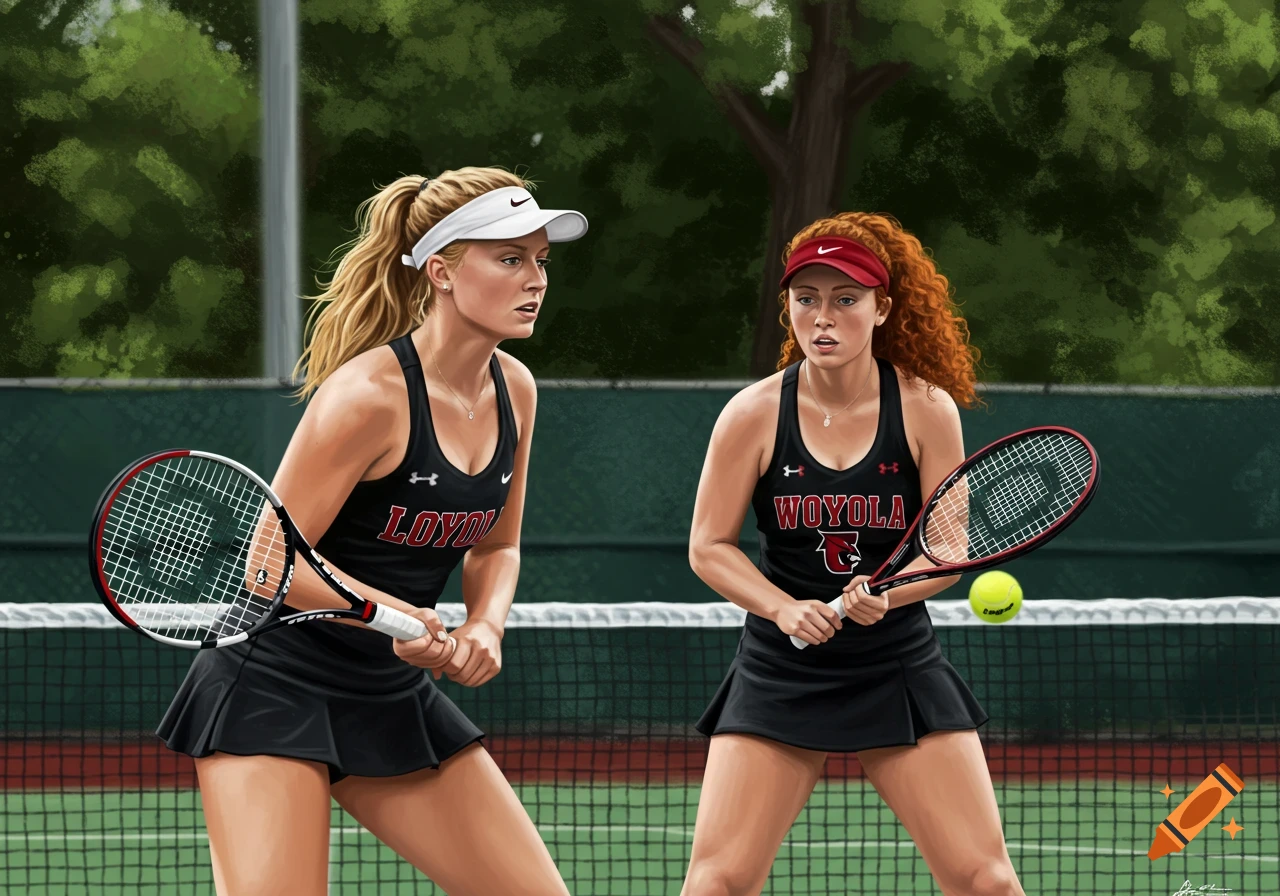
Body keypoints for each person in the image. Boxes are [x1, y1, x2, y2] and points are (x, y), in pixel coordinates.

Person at [156, 167, 587, 896]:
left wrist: (485, 625)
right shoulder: (366, 397)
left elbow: (496, 545)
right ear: (444, 272)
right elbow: (268, 565)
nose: (535, 279)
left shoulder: (516, 388)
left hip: (389, 690)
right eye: (510, 259)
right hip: (272, 686)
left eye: (540, 260)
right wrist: (386, 611)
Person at [681, 213, 1025, 896]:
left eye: (846, 299)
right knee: (716, 884)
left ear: (882, 308)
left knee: (986, 882)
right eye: (806, 298)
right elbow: (708, 547)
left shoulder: (926, 409)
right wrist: (784, 610)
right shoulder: (751, 414)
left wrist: (887, 596)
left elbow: (947, 547)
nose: (823, 317)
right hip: (781, 670)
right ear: (788, 307)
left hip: (894, 663)